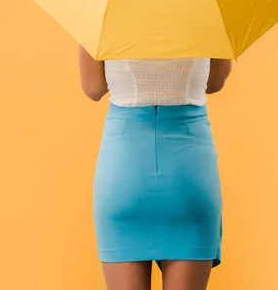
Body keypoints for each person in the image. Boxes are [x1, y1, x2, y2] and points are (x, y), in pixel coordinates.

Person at [78, 45, 233, 290]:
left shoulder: (104, 11)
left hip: (124, 169)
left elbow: (93, 87)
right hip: (188, 171)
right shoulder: (207, 9)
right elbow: (215, 82)